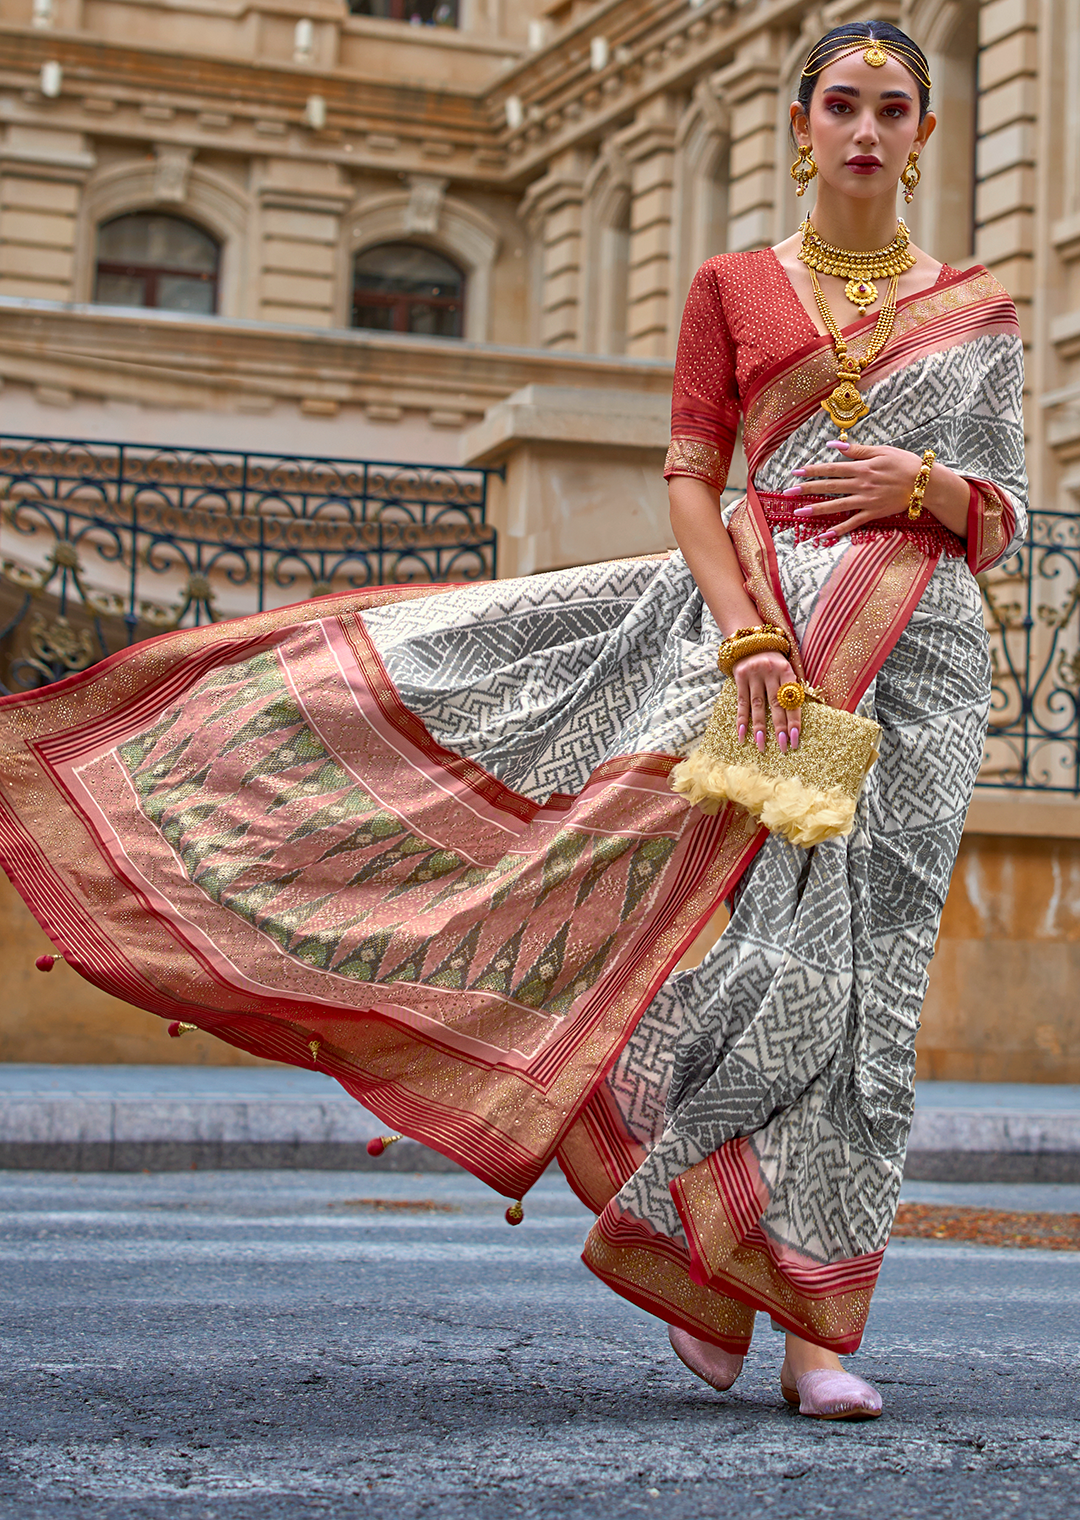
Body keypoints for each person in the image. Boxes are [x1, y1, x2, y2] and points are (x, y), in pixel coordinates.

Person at [0, 20, 1024, 1423]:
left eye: (891, 107)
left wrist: (931, 487)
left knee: (877, 996)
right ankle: (700, 1256)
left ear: (919, 130)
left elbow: (1004, 516)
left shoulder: (977, 312)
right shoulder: (733, 287)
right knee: (768, 972)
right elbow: (689, 476)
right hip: (777, 650)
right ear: (801, 122)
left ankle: (816, 1331)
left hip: (928, 658)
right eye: (841, 102)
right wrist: (744, 634)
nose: (865, 127)